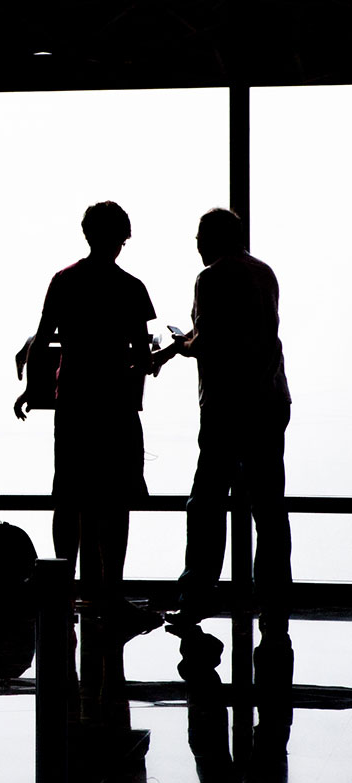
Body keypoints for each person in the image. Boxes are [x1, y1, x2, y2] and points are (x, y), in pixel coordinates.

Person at [15, 201, 159, 634]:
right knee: (115, 501)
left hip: (73, 401)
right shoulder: (131, 288)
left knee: (69, 496)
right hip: (114, 404)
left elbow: (42, 341)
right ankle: (110, 591)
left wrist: (30, 390)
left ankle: (64, 588)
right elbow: (141, 356)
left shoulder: (64, 281)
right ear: (121, 238)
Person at [158, 208, 292, 632]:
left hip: (228, 406)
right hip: (270, 399)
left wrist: (179, 345)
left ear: (214, 239)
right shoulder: (264, 272)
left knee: (207, 503)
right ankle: (273, 597)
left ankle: (196, 597)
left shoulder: (211, 277)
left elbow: (210, 340)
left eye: (200, 237)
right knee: (268, 504)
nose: (196, 245)